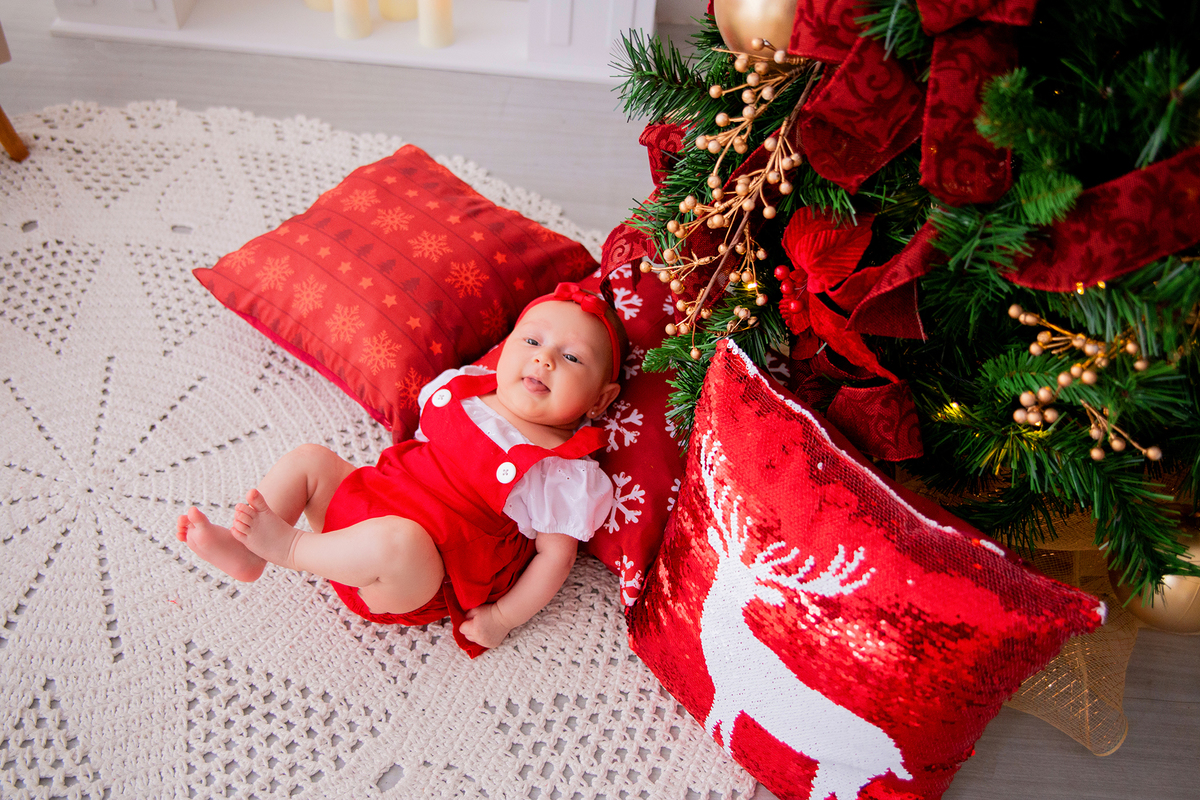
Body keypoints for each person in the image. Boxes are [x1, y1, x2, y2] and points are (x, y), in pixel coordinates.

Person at [177, 282, 625, 657]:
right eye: (532, 341)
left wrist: (502, 619)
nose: (543, 359)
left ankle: (291, 548)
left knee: (399, 540)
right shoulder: (463, 390)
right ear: (507, 347)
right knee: (310, 459)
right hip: (364, 512)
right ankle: (247, 555)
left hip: (412, 574)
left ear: (601, 400)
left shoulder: (561, 470)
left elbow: (556, 558)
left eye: (571, 359)